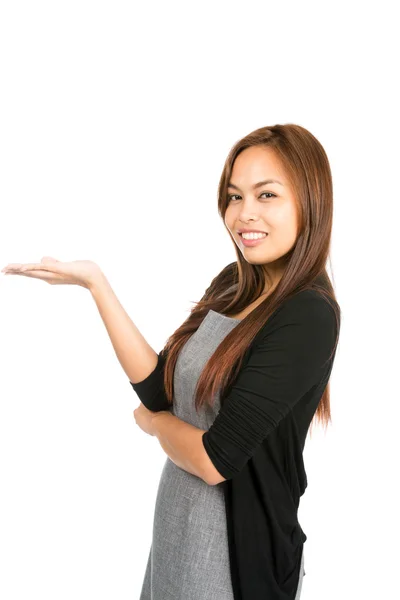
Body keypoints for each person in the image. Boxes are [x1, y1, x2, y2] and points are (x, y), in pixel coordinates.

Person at [1, 123, 341, 600]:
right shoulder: (233, 282)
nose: (244, 214)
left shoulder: (308, 313)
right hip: (179, 532)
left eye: (266, 195)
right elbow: (163, 390)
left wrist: (155, 426)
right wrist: (97, 285)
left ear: (311, 200)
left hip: (240, 561)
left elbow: (212, 460)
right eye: (234, 196)